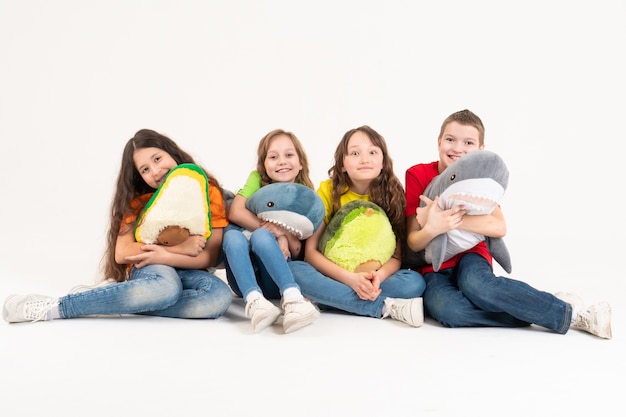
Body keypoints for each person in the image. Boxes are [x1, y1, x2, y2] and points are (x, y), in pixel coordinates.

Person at [404, 109, 612, 338]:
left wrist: (447, 220)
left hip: (472, 253)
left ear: (480, 150)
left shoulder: (480, 177)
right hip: (433, 265)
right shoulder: (418, 174)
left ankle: (570, 315)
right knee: (450, 311)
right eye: (450, 140)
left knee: (479, 287)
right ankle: (535, 307)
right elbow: (413, 242)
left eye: (468, 142)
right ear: (439, 141)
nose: (458, 148)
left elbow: (498, 227)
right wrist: (433, 228)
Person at [3, 129, 233, 323]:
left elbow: (209, 258)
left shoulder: (206, 190)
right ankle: (59, 307)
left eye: (157, 159)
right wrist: (176, 250)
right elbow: (123, 253)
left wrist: (164, 255)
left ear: (172, 153)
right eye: (144, 169)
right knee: (166, 288)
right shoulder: (138, 201)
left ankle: (114, 298)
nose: (154, 171)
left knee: (218, 298)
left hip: (190, 268)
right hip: (150, 269)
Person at [288, 125, 426, 327]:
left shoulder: (393, 193)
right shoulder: (328, 190)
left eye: (372, 152)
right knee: (294, 270)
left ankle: (329, 299)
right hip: (335, 275)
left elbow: (397, 256)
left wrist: (378, 277)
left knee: (415, 282)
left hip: (375, 277)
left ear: (383, 162)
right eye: (354, 153)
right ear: (342, 164)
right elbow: (310, 252)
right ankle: (384, 307)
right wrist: (351, 279)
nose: (364, 159)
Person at [223, 129, 320, 333]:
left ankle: (294, 299)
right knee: (232, 235)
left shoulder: (303, 195)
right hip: (244, 280)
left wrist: (283, 236)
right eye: (273, 157)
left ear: (301, 162)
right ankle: (256, 303)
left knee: (260, 235)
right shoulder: (257, 180)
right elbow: (236, 212)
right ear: (264, 165)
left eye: (289, 155)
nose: (282, 162)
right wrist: (277, 232)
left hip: (276, 277)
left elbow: (297, 250)